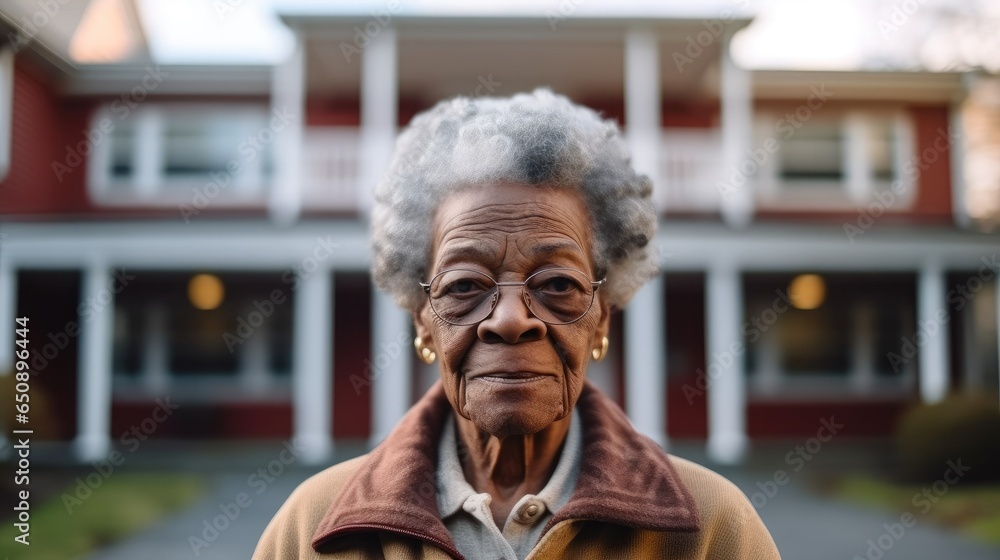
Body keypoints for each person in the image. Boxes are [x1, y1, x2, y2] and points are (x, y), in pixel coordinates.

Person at [254, 89, 781, 559]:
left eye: (557, 285)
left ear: (601, 321)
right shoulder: (311, 533)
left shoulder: (712, 531)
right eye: (464, 286)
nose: (509, 320)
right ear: (423, 322)